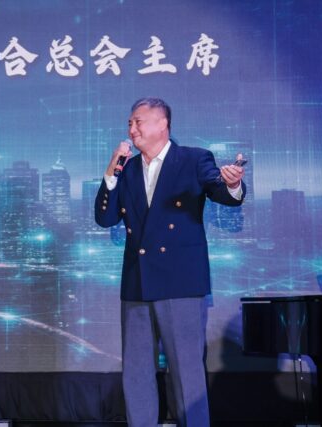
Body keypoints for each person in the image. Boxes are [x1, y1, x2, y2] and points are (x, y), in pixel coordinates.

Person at [95, 97, 245, 427]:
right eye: (129, 123)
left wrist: (233, 183)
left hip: (180, 283)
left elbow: (220, 191)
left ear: (162, 124)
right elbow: (105, 218)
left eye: (138, 122)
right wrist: (110, 172)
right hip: (137, 283)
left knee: (186, 371)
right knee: (136, 372)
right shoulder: (127, 168)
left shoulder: (193, 159)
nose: (131, 129)